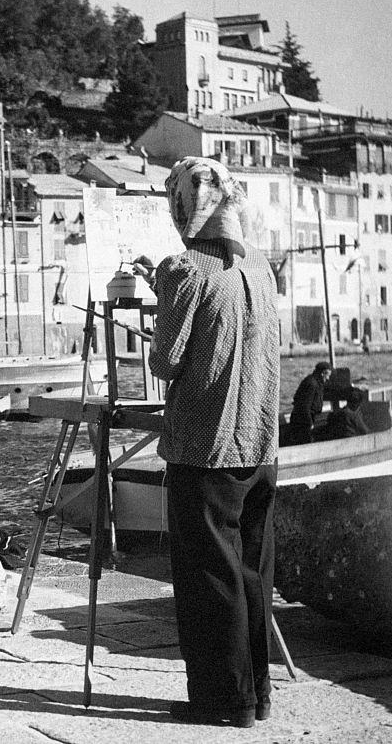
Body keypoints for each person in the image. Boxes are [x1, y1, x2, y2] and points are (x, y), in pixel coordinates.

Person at [140, 156, 279, 728]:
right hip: (261, 443)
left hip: (205, 447)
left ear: (184, 207)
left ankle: (222, 703)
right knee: (252, 576)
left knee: (208, 581)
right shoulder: (262, 269)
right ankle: (255, 696)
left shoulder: (184, 269)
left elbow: (166, 361)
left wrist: (162, 295)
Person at [289, 361, 332, 445]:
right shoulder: (312, 384)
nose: (328, 379)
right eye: (328, 376)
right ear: (323, 373)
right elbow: (305, 407)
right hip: (302, 421)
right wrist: (310, 423)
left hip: (305, 418)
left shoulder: (315, 382)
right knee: (305, 443)